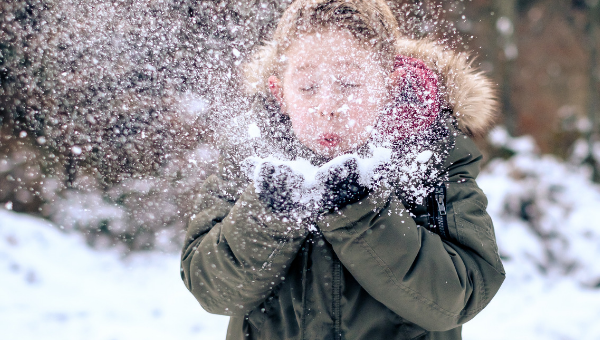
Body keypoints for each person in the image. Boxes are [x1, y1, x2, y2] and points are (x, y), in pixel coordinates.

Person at [181, 0, 505, 339]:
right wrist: (269, 213)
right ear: (280, 93)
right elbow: (210, 289)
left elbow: (460, 297)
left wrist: (360, 212)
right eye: (307, 88)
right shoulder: (253, 158)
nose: (328, 107)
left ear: (389, 86)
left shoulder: (428, 156)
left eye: (349, 84)